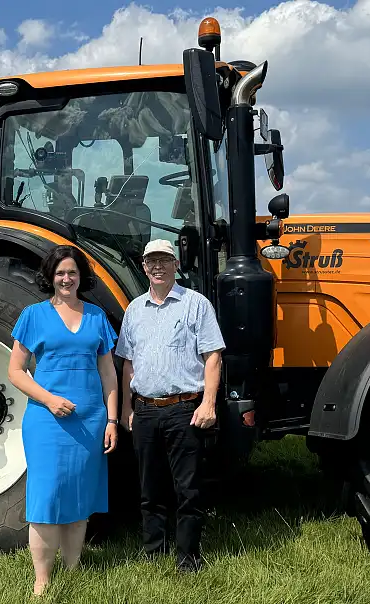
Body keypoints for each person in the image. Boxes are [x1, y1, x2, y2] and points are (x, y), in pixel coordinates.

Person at [7, 244, 119, 596]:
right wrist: (50, 400)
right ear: (50, 277)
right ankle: (42, 580)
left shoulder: (97, 316)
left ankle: (73, 569)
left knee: (80, 497)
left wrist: (112, 419)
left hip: (90, 419)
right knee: (46, 498)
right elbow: (15, 371)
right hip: (47, 420)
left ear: (81, 276)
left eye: (72, 272)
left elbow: (108, 374)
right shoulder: (33, 315)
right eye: (60, 273)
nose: (66, 279)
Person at [114, 238, 225, 573]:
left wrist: (208, 403)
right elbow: (128, 363)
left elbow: (213, 356)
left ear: (176, 264)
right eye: (152, 261)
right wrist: (126, 409)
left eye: (164, 260)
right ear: (144, 267)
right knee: (149, 488)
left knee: (187, 489)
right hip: (145, 410)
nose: (158, 267)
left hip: (183, 408)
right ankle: (154, 552)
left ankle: (188, 557)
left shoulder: (196, 304)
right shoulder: (135, 310)